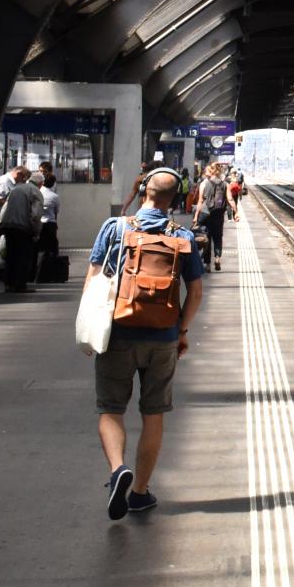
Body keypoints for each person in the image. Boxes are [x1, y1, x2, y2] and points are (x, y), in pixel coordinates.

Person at [90, 170, 208, 520]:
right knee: (153, 413)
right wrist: (182, 331)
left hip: (118, 333)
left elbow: (94, 279)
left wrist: (90, 328)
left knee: (111, 409)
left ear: (142, 191)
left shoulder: (115, 228)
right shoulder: (182, 236)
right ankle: (139, 492)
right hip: (163, 338)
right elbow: (196, 292)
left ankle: (117, 471)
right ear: (175, 201)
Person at [0, 165, 42, 292]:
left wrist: (2, 224)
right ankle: (20, 285)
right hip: (23, 228)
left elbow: (5, 208)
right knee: (23, 257)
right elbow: (36, 215)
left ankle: (8, 284)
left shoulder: (16, 189)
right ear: (40, 183)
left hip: (8, 226)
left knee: (11, 256)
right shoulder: (36, 192)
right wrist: (36, 232)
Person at [196, 163, 229, 273]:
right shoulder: (225, 184)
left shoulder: (204, 184)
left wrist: (196, 216)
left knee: (207, 239)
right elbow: (230, 200)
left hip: (206, 215)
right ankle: (217, 258)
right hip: (219, 215)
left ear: (210, 171)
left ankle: (208, 265)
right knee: (218, 238)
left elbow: (200, 201)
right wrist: (236, 211)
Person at [37, 166, 63, 286]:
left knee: (39, 249)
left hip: (38, 223)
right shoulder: (54, 197)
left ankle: (36, 274)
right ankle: (50, 274)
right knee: (52, 249)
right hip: (50, 224)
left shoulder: (37, 193)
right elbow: (56, 211)